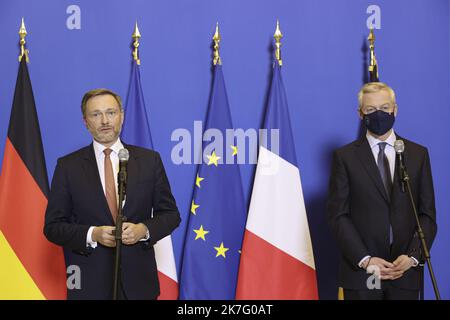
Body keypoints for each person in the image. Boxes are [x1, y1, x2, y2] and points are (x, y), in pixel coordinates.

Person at [44, 88, 181, 299]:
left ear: (122, 116)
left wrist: (143, 229)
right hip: (89, 284)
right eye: (96, 114)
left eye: (111, 112)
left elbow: (171, 215)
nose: (105, 120)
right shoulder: (67, 166)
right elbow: (53, 227)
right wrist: (93, 234)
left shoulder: (149, 161)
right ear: (85, 121)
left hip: (138, 285)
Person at [327, 82, 437, 300]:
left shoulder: (417, 154)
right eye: (370, 110)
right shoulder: (345, 157)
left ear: (395, 109)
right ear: (360, 114)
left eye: (385, 108)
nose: (379, 114)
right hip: (364, 272)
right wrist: (366, 259)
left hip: (404, 272)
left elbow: (427, 214)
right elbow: (338, 216)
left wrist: (412, 257)